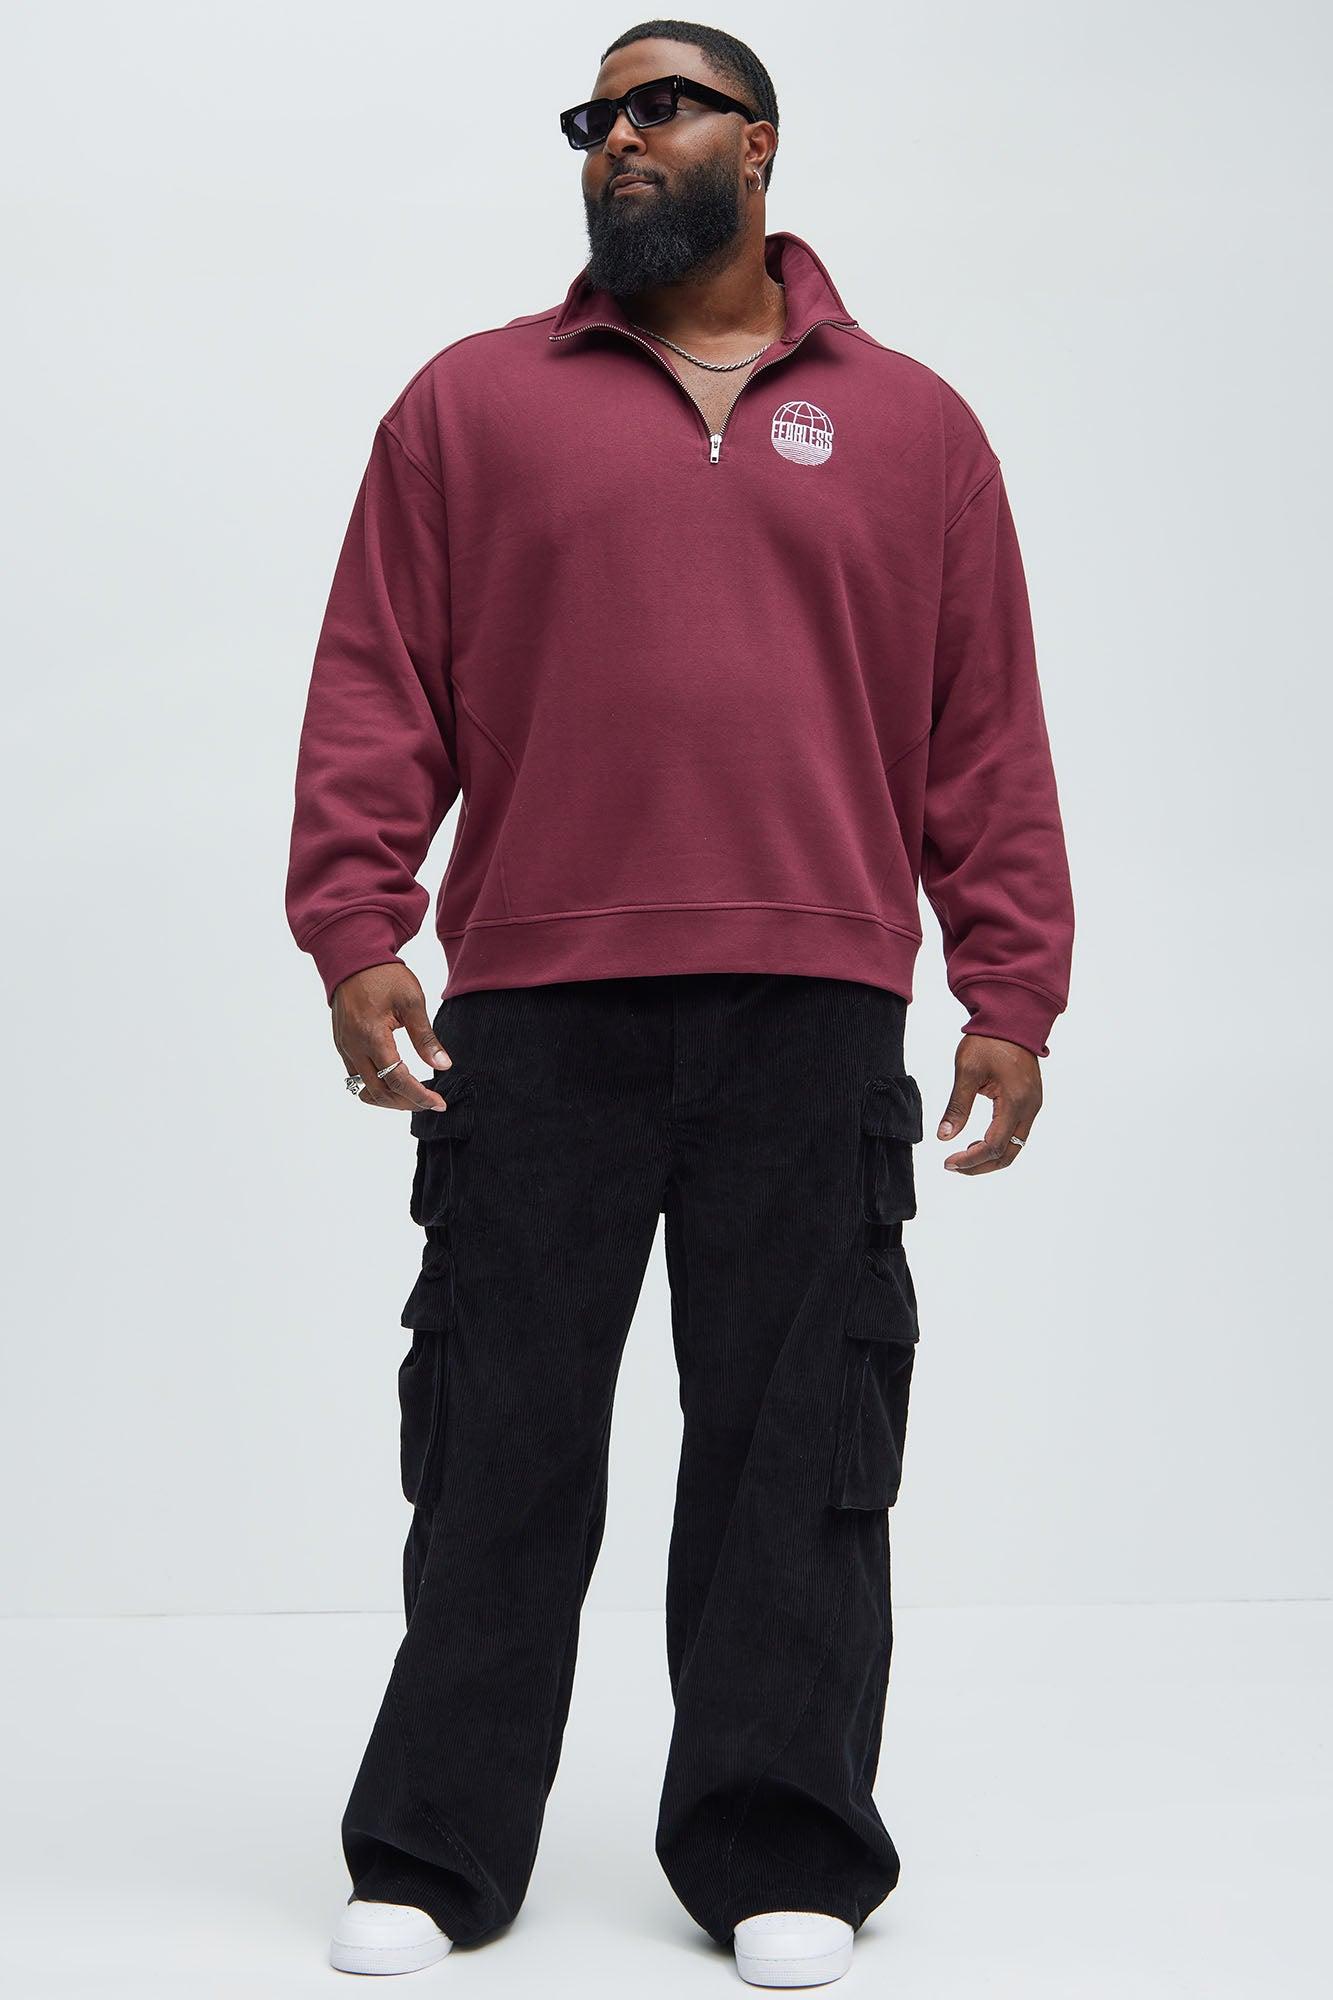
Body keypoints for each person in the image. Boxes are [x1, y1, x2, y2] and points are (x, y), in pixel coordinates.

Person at [285, 20, 1075, 1985]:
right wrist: (358, 932)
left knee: (797, 1442)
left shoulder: (916, 427)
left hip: (813, 1002)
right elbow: (378, 682)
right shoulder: (469, 405)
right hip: (537, 1005)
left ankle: (774, 1841)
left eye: (659, 108)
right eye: (593, 118)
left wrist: (1009, 984)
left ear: (760, 145)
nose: (615, 141)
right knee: (498, 1436)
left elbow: (982, 731)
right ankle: (437, 1848)